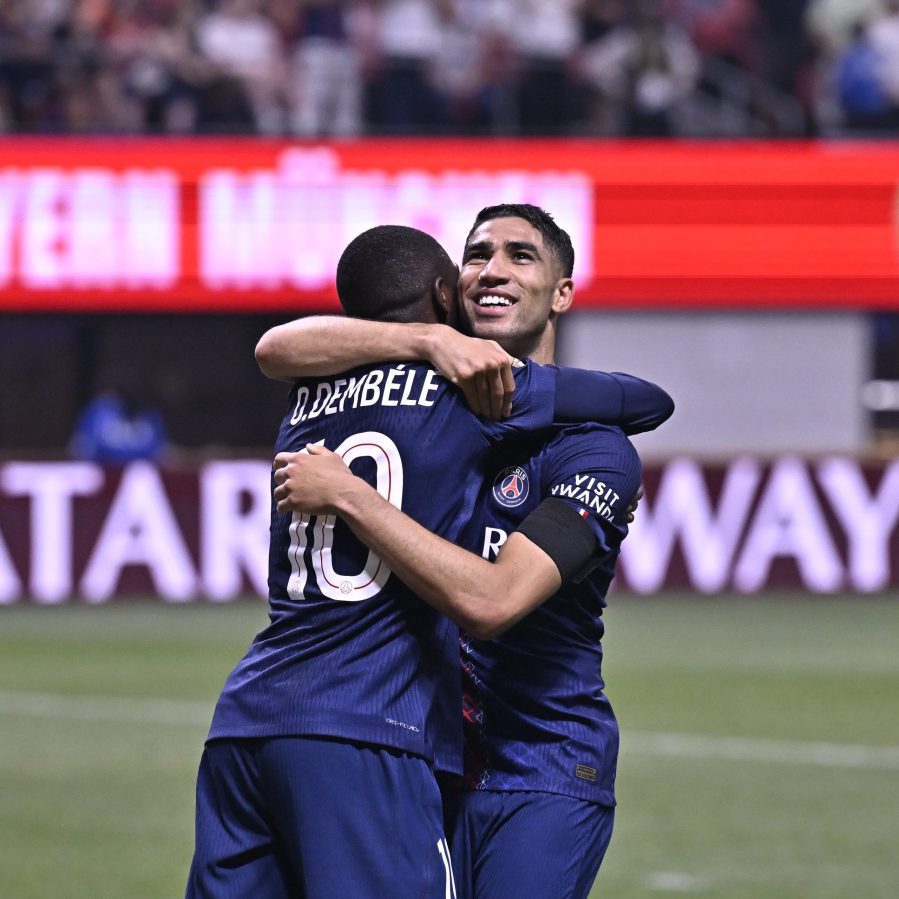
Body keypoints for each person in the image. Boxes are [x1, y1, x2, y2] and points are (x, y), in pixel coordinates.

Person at [187, 222, 672, 899]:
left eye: (519, 255)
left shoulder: (591, 449)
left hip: (535, 762)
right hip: (414, 745)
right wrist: (427, 342)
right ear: (448, 292)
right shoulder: (443, 401)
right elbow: (274, 346)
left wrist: (352, 495)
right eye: (477, 254)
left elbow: (495, 600)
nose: (493, 269)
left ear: (561, 292)